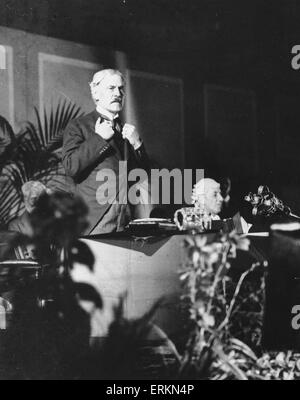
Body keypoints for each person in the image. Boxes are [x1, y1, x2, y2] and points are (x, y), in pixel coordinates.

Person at [62, 68, 149, 235]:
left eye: (121, 88)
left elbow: (143, 174)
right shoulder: (78, 125)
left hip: (127, 214)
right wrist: (99, 138)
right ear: (96, 92)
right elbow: (70, 167)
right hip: (95, 217)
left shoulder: (126, 131)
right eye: (111, 88)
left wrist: (137, 143)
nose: (118, 93)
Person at [8, 181, 48, 258]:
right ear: (25, 199)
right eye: (34, 198)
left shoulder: (52, 220)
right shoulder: (15, 225)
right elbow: (21, 259)